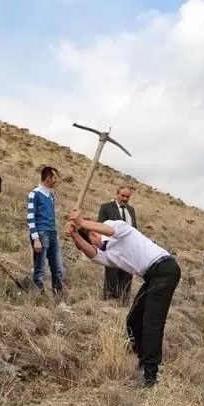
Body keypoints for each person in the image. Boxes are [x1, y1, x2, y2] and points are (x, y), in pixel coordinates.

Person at [65, 208, 180, 387]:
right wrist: (74, 236)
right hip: (151, 276)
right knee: (133, 320)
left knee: (151, 322)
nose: (94, 247)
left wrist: (81, 222)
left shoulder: (116, 226)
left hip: (165, 269)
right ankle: (142, 360)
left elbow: (109, 231)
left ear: (94, 233)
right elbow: (92, 253)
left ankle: (150, 373)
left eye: (92, 241)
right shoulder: (104, 252)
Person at [97, 185, 137, 305]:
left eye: (127, 197)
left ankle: (123, 304)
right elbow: (100, 227)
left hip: (129, 250)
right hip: (112, 249)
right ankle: (109, 304)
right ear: (117, 194)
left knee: (127, 278)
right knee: (112, 277)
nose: (125, 199)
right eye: (123, 196)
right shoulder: (106, 207)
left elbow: (134, 230)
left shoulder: (131, 210)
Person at [27, 166, 64, 296]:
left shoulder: (51, 196)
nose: (56, 181)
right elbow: (30, 217)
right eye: (54, 178)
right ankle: (38, 297)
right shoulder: (34, 194)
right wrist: (36, 239)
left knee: (58, 269)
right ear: (48, 178)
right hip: (41, 234)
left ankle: (58, 297)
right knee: (40, 268)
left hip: (53, 234)